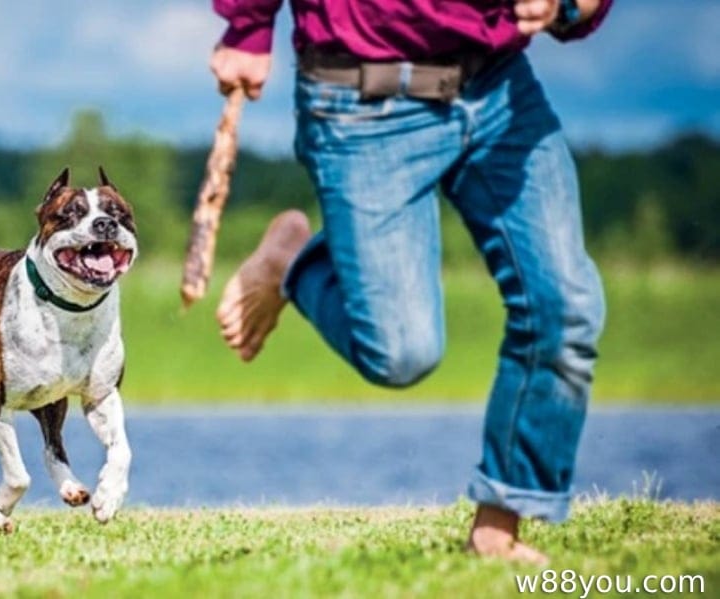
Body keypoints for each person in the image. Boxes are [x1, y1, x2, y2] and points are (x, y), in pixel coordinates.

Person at [211, 0, 611, 563]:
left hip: (499, 86)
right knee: (401, 354)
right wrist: (247, 25)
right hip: (361, 93)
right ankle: (295, 261)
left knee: (564, 306)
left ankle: (498, 528)